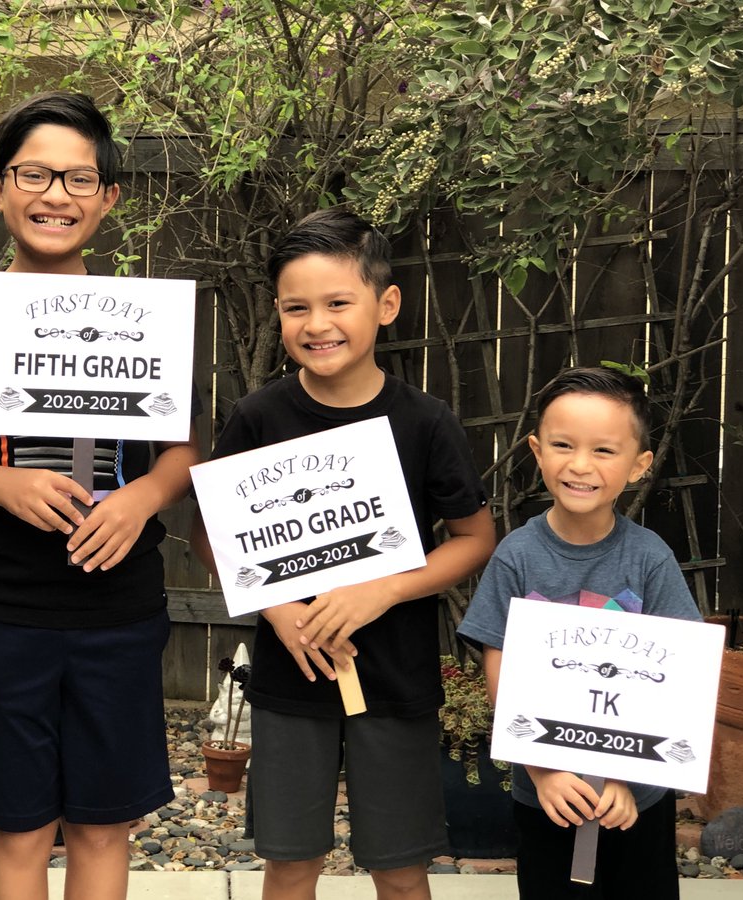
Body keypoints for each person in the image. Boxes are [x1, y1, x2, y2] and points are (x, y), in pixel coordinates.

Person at [0, 91, 198, 900]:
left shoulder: (146, 317)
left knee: (105, 824)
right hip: (5, 612)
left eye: (77, 178)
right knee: (18, 824)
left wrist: (142, 500)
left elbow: (180, 455)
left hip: (121, 610)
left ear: (109, 198)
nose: (55, 195)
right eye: (34, 174)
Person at [193, 208, 496, 900]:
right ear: (278, 312)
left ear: (385, 305)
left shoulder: (425, 422)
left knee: (399, 864)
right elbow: (210, 536)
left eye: (338, 303)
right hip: (289, 681)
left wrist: (383, 590)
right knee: (291, 861)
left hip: (393, 679)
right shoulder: (259, 418)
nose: (317, 323)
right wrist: (279, 611)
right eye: (297, 307)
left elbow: (476, 540)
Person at [458, 366, 702, 899]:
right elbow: (500, 672)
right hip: (547, 793)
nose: (580, 465)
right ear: (537, 450)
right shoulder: (517, 558)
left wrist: (625, 778)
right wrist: (543, 770)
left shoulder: (650, 559)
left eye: (604, 451)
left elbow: (680, 676)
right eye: (563, 445)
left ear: (640, 465)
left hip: (636, 798)